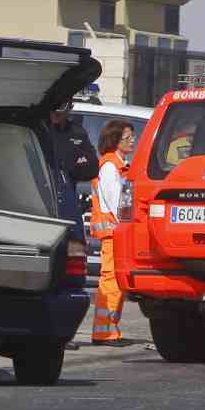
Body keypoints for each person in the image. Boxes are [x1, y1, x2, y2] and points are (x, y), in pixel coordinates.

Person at [90, 120, 135, 346]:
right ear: (115, 140)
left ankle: (109, 329)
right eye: (128, 138)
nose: (132, 141)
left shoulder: (118, 165)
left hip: (116, 233)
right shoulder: (109, 167)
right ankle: (103, 332)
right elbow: (117, 203)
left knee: (115, 281)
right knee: (110, 282)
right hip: (113, 233)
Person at [49, 100, 99, 242]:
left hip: (67, 195)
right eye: (53, 110)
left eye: (60, 110)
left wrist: (73, 166)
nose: (56, 114)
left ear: (69, 108)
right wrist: (75, 160)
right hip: (44, 197)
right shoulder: (42, 129)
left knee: (75, 244)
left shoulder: (77, 132)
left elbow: (93, 166)